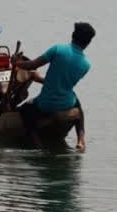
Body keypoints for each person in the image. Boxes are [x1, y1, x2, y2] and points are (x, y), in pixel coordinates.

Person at [15, 22, 95, 151]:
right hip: (66, 103)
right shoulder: (86, 65)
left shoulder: (58, 49)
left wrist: (17, 63)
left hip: (46, 104)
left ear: (73, 35)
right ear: (88, 43)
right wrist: (39, 78)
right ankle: (81, 140)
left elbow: (32, 65)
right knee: (78, 107)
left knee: (25, 110)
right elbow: (61, 83)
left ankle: (36, 142)